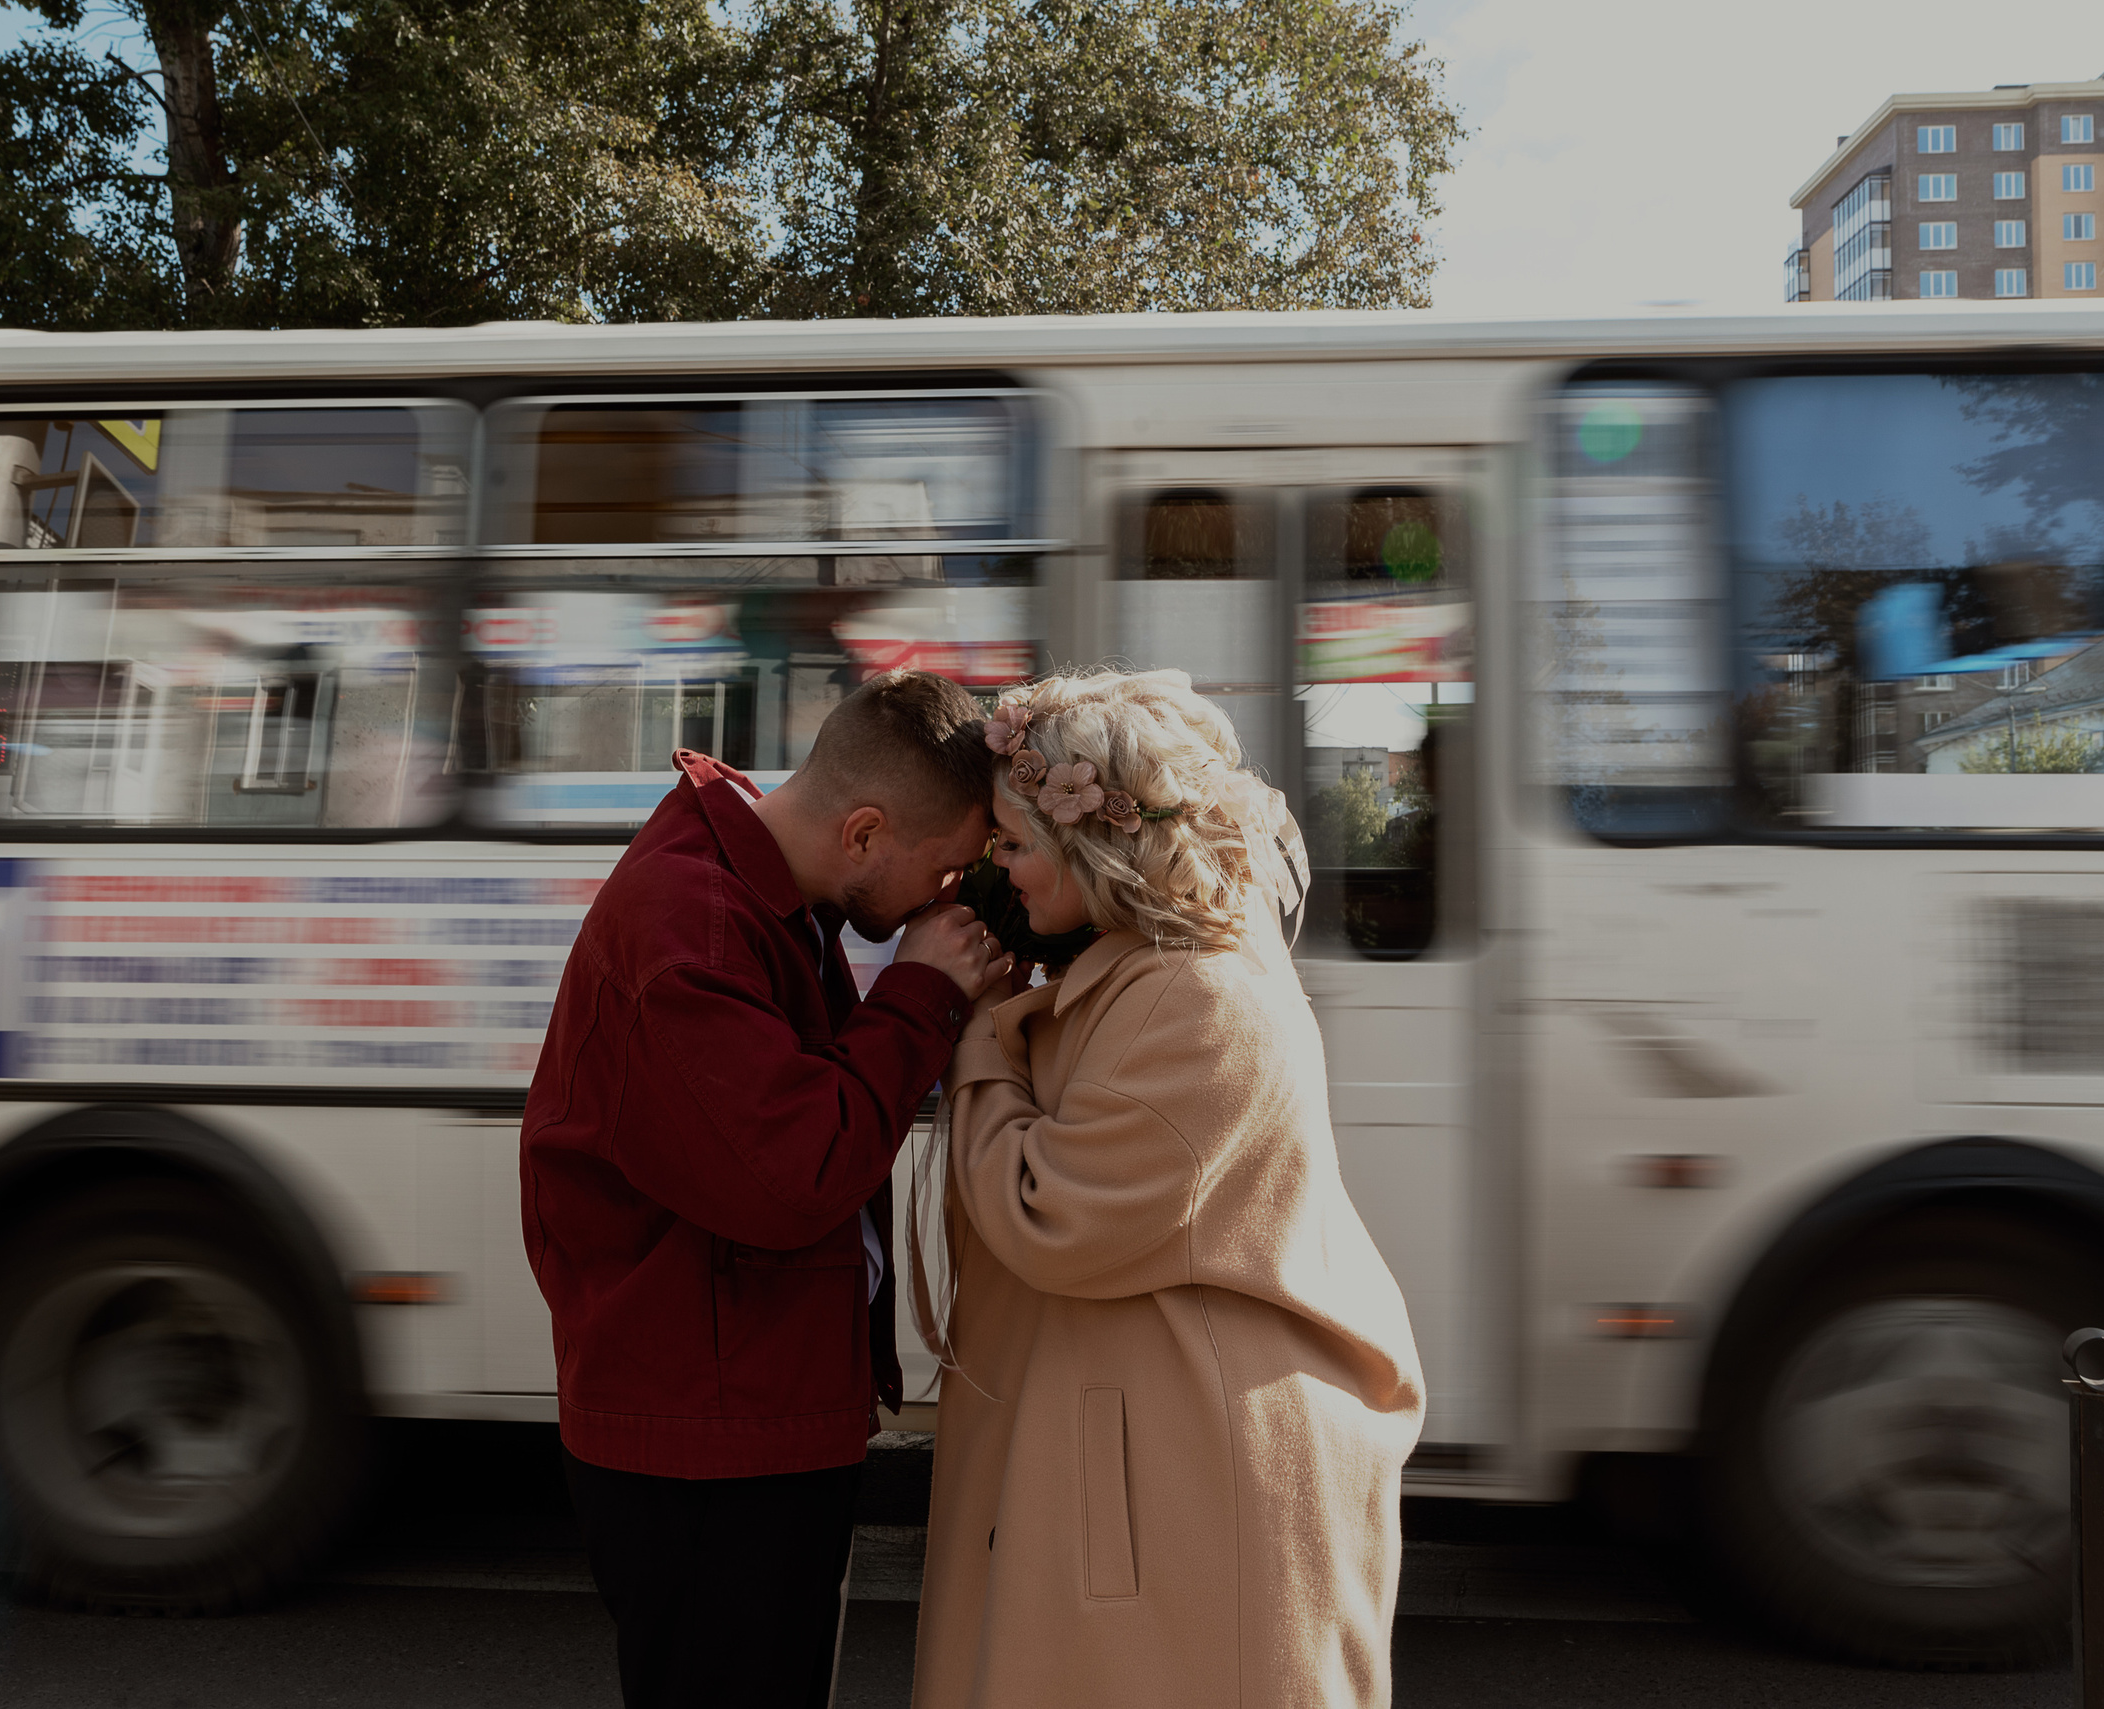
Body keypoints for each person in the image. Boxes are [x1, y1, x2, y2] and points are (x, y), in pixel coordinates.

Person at [907, 668, 1426, 1708]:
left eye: (1015, 844)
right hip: (1157, 1450)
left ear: (1095, 840)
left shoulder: (1197, 996)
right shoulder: (1161, 967)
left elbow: (1051, 1213)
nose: (995, 870)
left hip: (1185, 1479)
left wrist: (977, 1047)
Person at [522, 667, 1014, 1709]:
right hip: (708, 1441)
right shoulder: (690, 925)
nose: (946, 900)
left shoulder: (757, 885)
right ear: (866, 831)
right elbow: (795, 1174)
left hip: (736, 1405)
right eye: (947, 870)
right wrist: (920, 989)